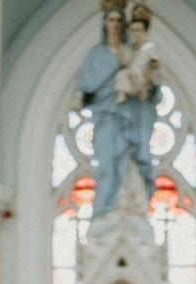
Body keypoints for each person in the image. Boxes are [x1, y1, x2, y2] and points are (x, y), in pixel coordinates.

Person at [72, 2, 159, 217]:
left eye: (120, 20)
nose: (116, 24)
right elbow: (86, 86)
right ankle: (105, 210)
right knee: (108, 164)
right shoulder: (96, 55)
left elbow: (152, 91)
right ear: (104, 23)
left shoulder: (132, 54)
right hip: (107, 118)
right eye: (111, 19)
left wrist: (149, 84)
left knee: (133, 165)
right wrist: (80, 95)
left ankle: (133, 207)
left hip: (133, 117)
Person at [115, 5, 158, 103]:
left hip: (142, 71)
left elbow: (154, 61)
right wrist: (120, 54)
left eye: (139, 30)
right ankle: (122, 94)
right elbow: (125, 61)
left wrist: (151, 66)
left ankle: (142, 92)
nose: (136, 34)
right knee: (121, 75)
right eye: (133, 31)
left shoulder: (149, 47)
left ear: (145, 31)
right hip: (131, 71)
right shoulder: (130, 48)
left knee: (140, 77)